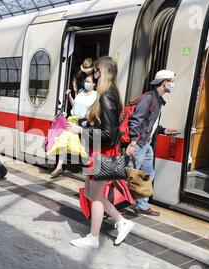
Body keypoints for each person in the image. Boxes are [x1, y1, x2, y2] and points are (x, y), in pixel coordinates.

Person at [68, 56, 134, 248]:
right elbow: (104, 125)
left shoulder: (107, 96)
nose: (93, 75)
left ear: (102, 72)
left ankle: (93, 238)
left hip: (103, 153)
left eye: (96, 71)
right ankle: (122, 221)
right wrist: (83, 123)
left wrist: (82, 131)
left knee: (96, 196)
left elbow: (109, 134)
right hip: (99, 150)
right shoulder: (108, 94)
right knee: (90, 192)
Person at [125, 69, 179, 217]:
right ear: (165, 82)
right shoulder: (149, 98)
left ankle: (142, 205)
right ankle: (113, 200)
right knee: (131, 175)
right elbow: (136, 120)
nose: (172, 85)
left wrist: (163, 130)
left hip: (146, 144)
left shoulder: (157, 100)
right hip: (139, 144)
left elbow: (149, 123)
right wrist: (133, 142)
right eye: (171, 82)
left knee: (147, 173)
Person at [51, 74, 97, 178]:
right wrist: (69, 96)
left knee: (85, 150)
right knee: (63, 141)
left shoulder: (96, 95)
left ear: (94, 84)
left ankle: (90, 171)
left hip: (85, 123)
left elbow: (95, 110)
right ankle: (59, 167)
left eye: (89, 82)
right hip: (73, 120)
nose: (86, 83)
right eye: (86, 81)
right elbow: (75, 105)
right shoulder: (81, 92)